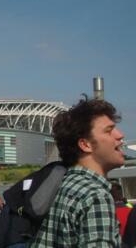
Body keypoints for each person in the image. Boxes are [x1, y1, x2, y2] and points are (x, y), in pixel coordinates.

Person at [31, 98, 124, 247]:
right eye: (109, 130)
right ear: (85, 144)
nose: (120, 135)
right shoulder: (95, 196)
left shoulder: (61, 186)